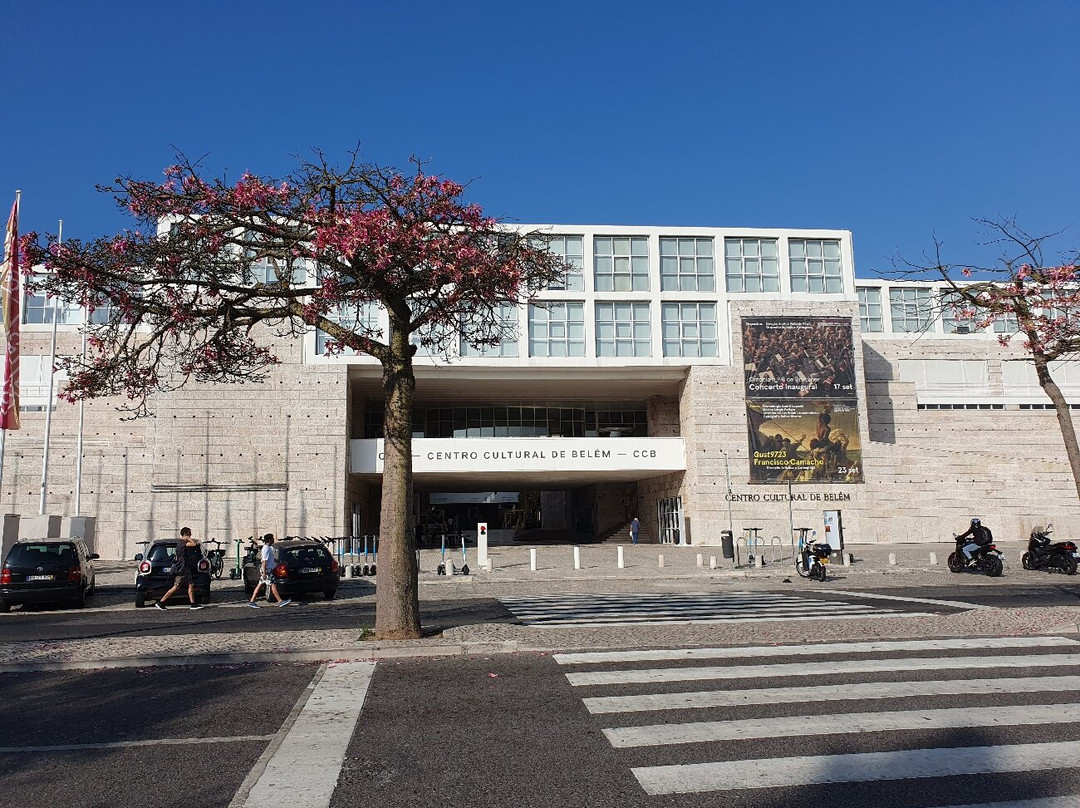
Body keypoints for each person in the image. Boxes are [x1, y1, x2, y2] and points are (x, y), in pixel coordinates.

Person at [156, 527, 204, 610]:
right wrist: (188, 538)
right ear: (186, 534)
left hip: (184, 568)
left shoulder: (180, 543)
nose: (191, 535)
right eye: (189, 533)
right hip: (182, 569)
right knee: (176, 586)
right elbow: (194, 544)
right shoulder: (183, 543)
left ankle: (193, 603)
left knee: (190, 584)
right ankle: (161, 602)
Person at [248, 533, 290, 608]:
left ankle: (252, 601)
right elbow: (264, 561)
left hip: (268, 570)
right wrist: (264, 572)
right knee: (272, 584)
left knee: (260, 584)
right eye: (273, 538)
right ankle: (280, 601)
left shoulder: (269, 548)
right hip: (267, 570)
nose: (274, 539)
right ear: (270, 539)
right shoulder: (266, 549)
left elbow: (271, 560)